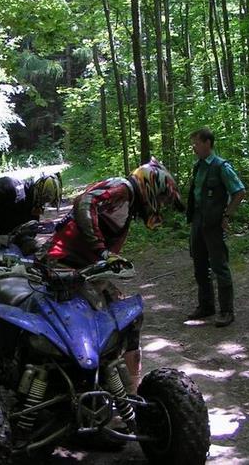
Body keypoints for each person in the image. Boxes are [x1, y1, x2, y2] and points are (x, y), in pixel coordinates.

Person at [43, 158, 185, 392]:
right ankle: (87, 384)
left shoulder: (127, 205)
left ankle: (130, 388)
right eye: (161, 198)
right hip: (61, 262)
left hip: (83, 269)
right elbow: (84, 201)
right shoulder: (122, 189)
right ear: (150, 188)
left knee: (127, 317)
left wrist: (107, 259)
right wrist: (102, 251)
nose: (160, 205)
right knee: (92, 314)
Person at [186, 128, 246, 327]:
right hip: (198, 222)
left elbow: (239, 191)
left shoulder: (221, 167)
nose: (193, 147)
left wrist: (227, 215)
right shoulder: (198, 166)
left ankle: (227, 311)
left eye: (196, 142)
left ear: (207, 143)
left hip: (213, 225)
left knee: (219, 266)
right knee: (200, 265)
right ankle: (206, 306)